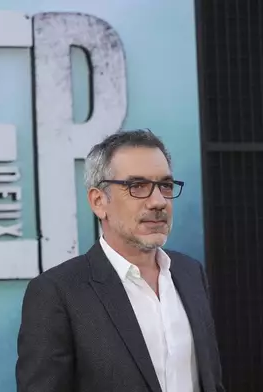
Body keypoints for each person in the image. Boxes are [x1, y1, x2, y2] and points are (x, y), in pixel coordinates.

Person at [15, 129, 225, 392]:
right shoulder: (58, 292)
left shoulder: (190, 273)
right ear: (99, 201)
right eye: (137, 186)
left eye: (165, 186)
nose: (158, 201)